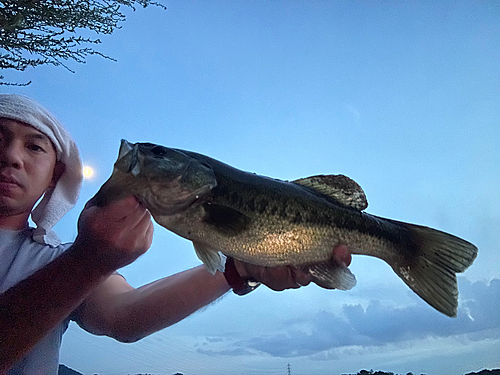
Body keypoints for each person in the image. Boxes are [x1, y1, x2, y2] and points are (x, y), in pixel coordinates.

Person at [0, 94, 351, 374]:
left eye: (34, 146)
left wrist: (241, 269)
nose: (11, 157)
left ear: (55, 175)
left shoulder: (53, 260)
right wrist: (87, 262)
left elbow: (125, 316)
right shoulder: (71, 263)